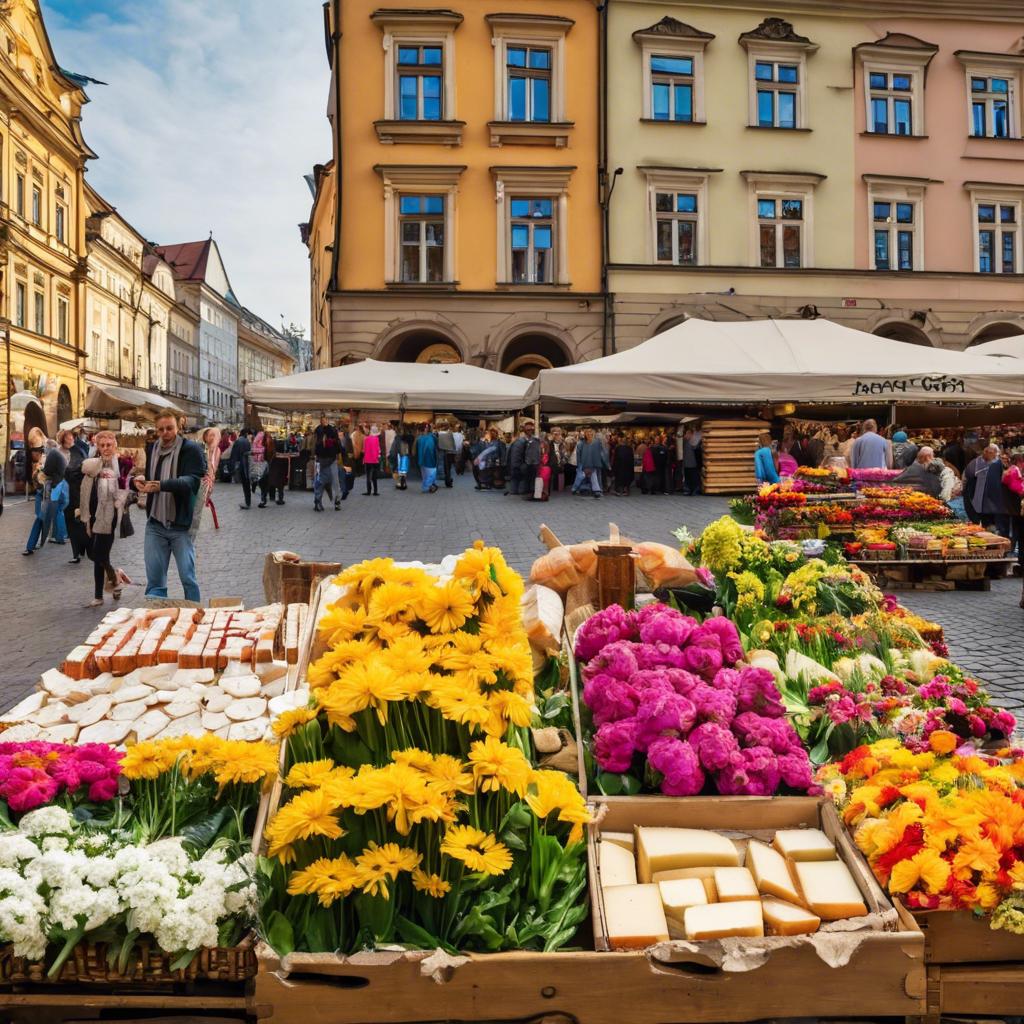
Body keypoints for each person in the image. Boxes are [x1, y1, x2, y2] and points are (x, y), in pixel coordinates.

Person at [134, 411, 206, 603]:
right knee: (155, 581)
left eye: (170, 428)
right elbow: (152, 478)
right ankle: (157, 619)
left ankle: (196, 618)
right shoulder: (152, 448)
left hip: (180, 525)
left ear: (178, 427)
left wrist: (162, 485)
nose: (165, 432)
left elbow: (192, 481)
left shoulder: (191, 449)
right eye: (161, 429)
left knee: (188, 579)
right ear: (156, 430)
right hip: (155, 524)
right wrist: (141, 480)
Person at [80, 431, 132, 607]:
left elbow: (127, 488)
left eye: (108, 445)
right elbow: (86, 486)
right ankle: (102, 592)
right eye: (101, 445)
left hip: (110, 517)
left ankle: (115, 581)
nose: (105, 448)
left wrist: (123, 497)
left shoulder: (122, 464)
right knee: (97, 555)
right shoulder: (93, 464)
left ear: (114, 445)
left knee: (98, 554)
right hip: (93, 515)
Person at [23, 440, 66, 555]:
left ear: (49, 447)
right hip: (56, 489)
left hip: (50, 490)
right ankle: (59, 538)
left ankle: (31, 546)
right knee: (56, 514)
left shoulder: (52, 454)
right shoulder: (59, 454)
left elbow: (47, 471)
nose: (44, 450)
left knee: (40, 518)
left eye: (45, 448)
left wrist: (39, 470)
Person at [963, 444, 1006, 531]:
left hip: (992, 501)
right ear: (986, 452)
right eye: (993, 454)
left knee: (991, 524)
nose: (996, 456)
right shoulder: (975, 463)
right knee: (984, 523)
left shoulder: (997, 463)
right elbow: (968, 477)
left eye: (996, 454)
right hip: (979, 500)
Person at [191, 427, 222, 534]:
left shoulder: (217, 450)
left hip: (209, 479)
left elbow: (215, 466)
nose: (212, 437)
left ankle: (199, 521)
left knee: (204, 502)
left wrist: (211, 478)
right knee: (198, 502)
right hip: (200, 478)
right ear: (205, 436)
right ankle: (195, 523)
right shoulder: (200, 448)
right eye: (210, 435)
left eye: (214, 435)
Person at [313, 415, 343, 512]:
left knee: (330, 481)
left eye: (325, 420)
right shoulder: (319, 431)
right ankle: (319, 502)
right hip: (323, 460)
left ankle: (334, 501)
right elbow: (338, 445)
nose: (324, 422)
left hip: (327, 460)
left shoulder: (330, 430)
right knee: (322, 482)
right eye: (323, 420)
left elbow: (337, 444)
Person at [1003, 451, 1024, 573]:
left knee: (1017, 535)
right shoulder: (1014, 471)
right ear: (1020, 462)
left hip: (1013, 509)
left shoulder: (1011, 470)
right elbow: (1018, 489)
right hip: (1016, 510)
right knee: (1018, 535)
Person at [573, 427, 608, 498]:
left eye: (591, 431)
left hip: (595, 464)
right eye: (587, 432)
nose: (589, 433)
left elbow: (602, 453)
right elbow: (578, 455)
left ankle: (597, 491)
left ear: (593, 433)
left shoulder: (598, 442)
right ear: (585, 434)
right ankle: (582, 489)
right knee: (582, 478)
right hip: (584, 464)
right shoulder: (581, 443)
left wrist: (606, 463)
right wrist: (579, 465)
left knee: (595, 476)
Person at [258, 434, 288, 507]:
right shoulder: (284, 457)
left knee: (266, 487)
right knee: (280, 487)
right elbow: (286, 467)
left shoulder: (273, 456)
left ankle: (263, 501)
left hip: (271, 473)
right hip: (280, 475)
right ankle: (280, 500)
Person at [415, 424, 438, 493]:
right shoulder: (420, 438)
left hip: (428, 457)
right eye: (426, 427)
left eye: (427, 427)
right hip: (425, 457)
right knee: (427, 473)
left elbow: (436, 445)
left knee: (429, 473)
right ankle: (428, 486)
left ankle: (428, 486)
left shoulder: (431, 437)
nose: (427, 429)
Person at [234, 429, 253, 509]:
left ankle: (247, 503)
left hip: (242, 465)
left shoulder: (238, 441)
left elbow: (234, 455)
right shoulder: (247, 442)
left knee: (245, 485)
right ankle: (248, 501)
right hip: (247, 465)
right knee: (247, 484)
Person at [363, 424, 383, 495]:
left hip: (367, 460)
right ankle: (375, 491)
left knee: (368, 476)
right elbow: (378, 450)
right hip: (375, 460)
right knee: (374, 476)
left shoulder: (366, 439)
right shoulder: (377, 439)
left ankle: (368, 491)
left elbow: (364, 450)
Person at [437, 422, 457, 488]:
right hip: (449, 452)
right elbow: (453, 443)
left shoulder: (438, 433)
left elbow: (437, 443)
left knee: (441, 465)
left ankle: (442, 479)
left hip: (440, 451)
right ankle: (448, 481)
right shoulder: (450, 434)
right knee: (448, 468)